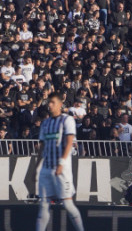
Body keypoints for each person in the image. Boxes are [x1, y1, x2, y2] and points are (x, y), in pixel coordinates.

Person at [36, 92, 84, 231]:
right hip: (46, 169)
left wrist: (61, 164)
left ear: (60, 104)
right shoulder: (45, 123)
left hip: (62, 170)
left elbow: (69, 142)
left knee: (67, 205)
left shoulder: (67, 120)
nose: (49, 105)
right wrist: (36, 168)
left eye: (52, 102)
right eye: (48, 102)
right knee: (43, 205)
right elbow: (42, 146)